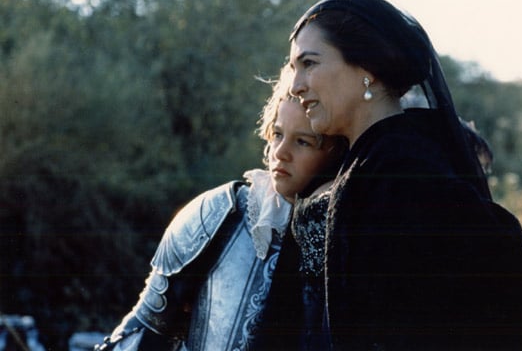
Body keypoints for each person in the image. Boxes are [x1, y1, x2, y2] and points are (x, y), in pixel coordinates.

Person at [288, 0, 522, 350]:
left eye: (309, 64)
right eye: (294, 68)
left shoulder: (404, 173)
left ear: (366, 69)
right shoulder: (371, 163)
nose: (295, 87)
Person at [94, 66, 346, 351]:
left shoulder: (355, 231)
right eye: (277, 134)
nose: (280, 153)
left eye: (302, 141)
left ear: (336, 152)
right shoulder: (221, 214)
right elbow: (142, 333)